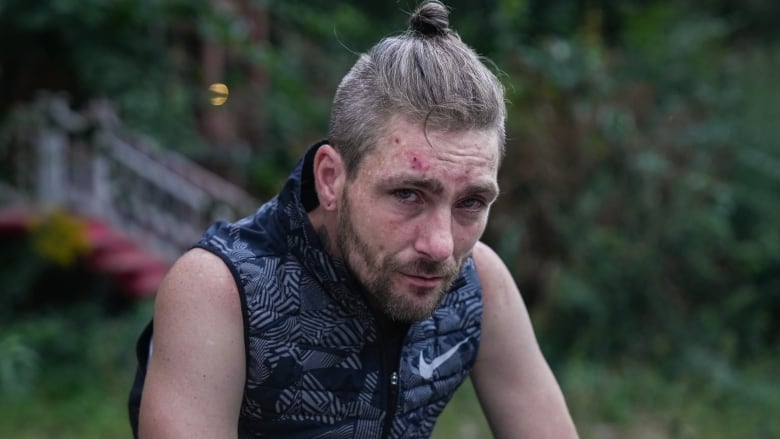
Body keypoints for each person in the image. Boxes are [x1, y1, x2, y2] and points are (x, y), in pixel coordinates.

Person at [128, 1, 579, 438]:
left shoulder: (478, 283)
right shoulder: (222, 291)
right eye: (407, 194)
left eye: (471, 202)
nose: (441, 246)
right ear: (330, 180)